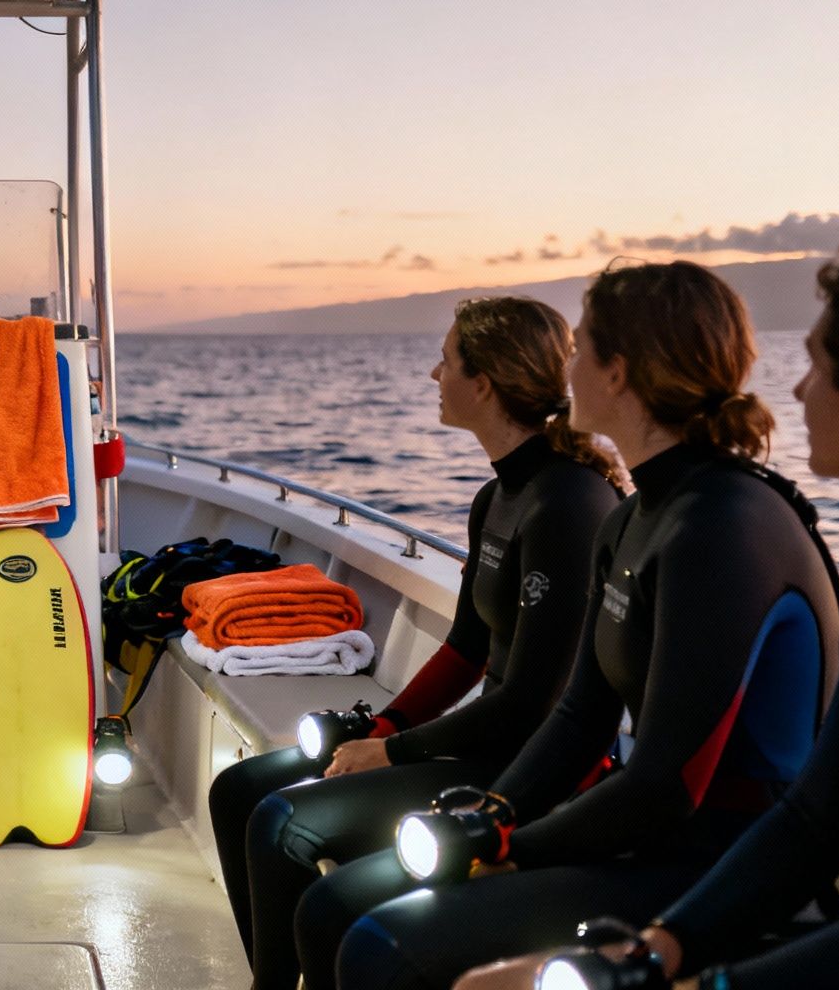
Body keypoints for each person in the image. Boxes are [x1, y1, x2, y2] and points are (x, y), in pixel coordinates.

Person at [301, 260, 839, 990]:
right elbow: (582, 714)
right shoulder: (633, 520)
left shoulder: (721, 527)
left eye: (581, 348)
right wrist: (493, 816)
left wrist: (518, 848)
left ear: (618, 373)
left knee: (383, 944)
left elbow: (667, 785)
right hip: (651, 838)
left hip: (725, 863)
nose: (568, 368)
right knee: (343, 906)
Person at [455, 237, 839, 990]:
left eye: (818, 367)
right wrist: (660, 951)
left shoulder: (729, 529)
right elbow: (814, 822)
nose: (793, 395)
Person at [207, 297, 620, 988]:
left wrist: (392, 751)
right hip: (479, 744)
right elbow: (466, 647)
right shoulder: (499, 498)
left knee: (282, 823)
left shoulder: (570, 504)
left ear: (483, 382)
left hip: (530, 771)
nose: (433, 374)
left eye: (447, 360)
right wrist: (389, 725)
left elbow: (533, 702)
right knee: (240, 789)